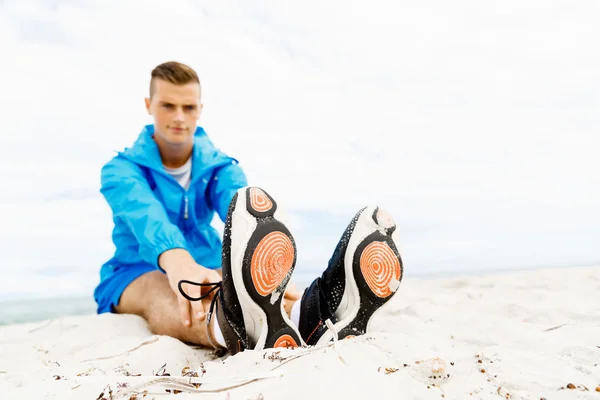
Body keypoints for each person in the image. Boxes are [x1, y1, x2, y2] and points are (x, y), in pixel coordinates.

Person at [94, 61, 404, 354]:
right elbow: (145, 215)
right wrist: (177, 262)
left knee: (247, 287)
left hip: (209, 261)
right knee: (167, 288)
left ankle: (311, 315)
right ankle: (231, 328)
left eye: (188, 107)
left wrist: (274, 270)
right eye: (168, 105)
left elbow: (240, 209)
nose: (179, 116)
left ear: (199, 110)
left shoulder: (221, 167)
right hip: (134, 271)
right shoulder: (120, 170)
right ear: (149, 105)